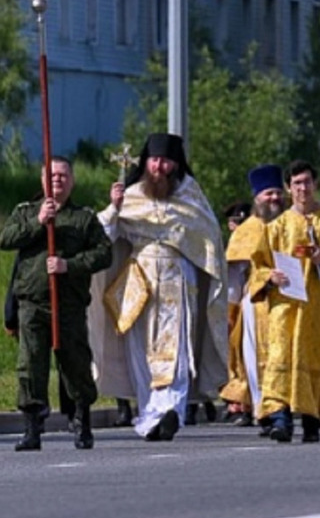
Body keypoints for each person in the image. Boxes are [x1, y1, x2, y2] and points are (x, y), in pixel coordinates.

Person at [90, 133, 230, 442]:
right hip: (139, 282)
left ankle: (171, 412)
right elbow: (103, 234)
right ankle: (150, 417)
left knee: (177, 351)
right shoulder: (131, 195)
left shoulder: (191, 196)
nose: (159, 167)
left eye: (166, 161)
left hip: (178, 284)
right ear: (145, 162)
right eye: (154, 160)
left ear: (176, 164)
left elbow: (209, 236)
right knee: (140, 352)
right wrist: (114, 207)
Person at [0, 157, 113, 451]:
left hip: (69, 304)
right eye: (51, 176)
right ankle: (32, 428)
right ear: (42, 181)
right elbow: (5, 239)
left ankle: (81, 422)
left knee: (75, 364)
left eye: (63, 176)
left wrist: (69, 265)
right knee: (30, 365)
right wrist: (38, 223)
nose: (57, 181)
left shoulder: (83, 219)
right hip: (32, 304)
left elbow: (104, 254)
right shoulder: (26, 212)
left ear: (72, 181)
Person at [249, 162, 320, 443]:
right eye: (296, 183)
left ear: (315, 183)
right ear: (288, 188)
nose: (302, 188)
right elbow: (258, 265)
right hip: (284, 305)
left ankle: (311, 420)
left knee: (312, 358)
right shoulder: (277, 227)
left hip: (317, 305)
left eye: (307, 182)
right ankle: (280, 418)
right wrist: (269, 276)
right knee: (280, 358)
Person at [219, 165, 284, 427]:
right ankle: (262, 409)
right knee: (255, 360)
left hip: (289, 303)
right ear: (257, 197)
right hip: (255, 307)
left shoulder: (291, 224)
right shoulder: (246, 231)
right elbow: (234, 277)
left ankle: (283, 408)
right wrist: (229, 313)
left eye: (278, 192)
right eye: (269, 193)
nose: (274, 198)